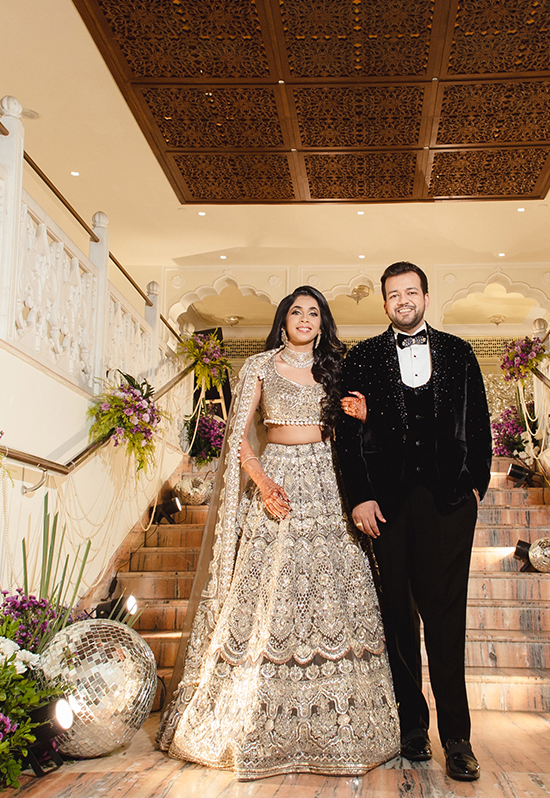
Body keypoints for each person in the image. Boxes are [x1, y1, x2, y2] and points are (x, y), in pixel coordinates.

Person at [156, 286, 399, 780]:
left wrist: (365, 416)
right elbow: (237, 436)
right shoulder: (260, 366)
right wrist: (264, 483)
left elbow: (356, 430)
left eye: (314, 313)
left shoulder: (337, 367)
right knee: (269, 598)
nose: (305, 318)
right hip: (279, 478)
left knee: (332, 595)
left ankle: (343, 721)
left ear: (323, 322)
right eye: (296, 311)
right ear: (283, 320)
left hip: (329, 480)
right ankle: (258, 718)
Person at [335, 262, 492, 782]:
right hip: (388, 506)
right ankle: (412, 727)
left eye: (410, 291)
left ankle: (458, 739)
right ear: (384, 303)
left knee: (447, 622)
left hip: (449, 505)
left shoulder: (459, 352)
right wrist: (360, 497)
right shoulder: (362, 357)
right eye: (393, 294)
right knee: (399, 620)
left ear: (425, 296)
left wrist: (475, 485)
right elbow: (347, 434)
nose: (403, 300)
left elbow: (479, 423)